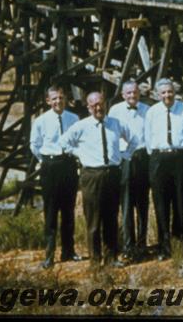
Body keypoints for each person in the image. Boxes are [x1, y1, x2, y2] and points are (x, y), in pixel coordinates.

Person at [59, 91, 128, 268]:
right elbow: (63, 142)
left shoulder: (115, 123)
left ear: (105, 104)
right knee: (94, 220)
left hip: (112, 173)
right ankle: (95, 261)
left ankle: (111, 257)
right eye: (94, 105)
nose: (99, 107)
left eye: (101, 104)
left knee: (111, 218)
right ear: (88, 107)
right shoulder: (81, 126)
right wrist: (79, 154)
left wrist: (124, 155)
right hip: (92, 175)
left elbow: (133, 139)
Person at [144, 78, 183, 261]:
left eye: (170, 92)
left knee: (180, 200)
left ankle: (180, 241)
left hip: (181, 158)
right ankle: (164, 245)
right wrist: (158, 155)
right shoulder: (152, 112)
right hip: (159, 158)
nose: (167, 95)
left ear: (174, 93)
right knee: (161, 202)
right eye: (164, 93)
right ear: (158, 95)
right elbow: (148, 138)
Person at [29, 85, 81, 269]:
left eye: (61, 97)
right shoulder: (41, 121)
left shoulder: (74, 119)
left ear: (65, 99)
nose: (58, 101)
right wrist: (46, 160)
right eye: (54, 98)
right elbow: (34, 145)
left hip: (68, 164)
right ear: (48, 101)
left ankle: (69, 251)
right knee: (51, 212)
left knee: (68, 211)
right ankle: (49, 255)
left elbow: (78, 140)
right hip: (50, 166)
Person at [108, 81, 150, 264]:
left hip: (143, 158)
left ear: (139, 94)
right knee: (126, 203)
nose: (132, 96)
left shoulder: (148, 110)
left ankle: (142, 244)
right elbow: (111, 136)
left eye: (135, 92)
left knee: (143, 203)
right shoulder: (115, 111)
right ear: (123, 95)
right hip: (125, 159)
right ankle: (128, 245)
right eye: (129, 93)